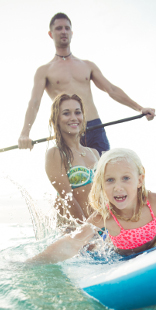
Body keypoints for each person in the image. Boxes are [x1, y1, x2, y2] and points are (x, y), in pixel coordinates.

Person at [28, 148, 156, 264]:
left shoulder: (154, 201)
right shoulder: (104, 216)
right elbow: (72, 241)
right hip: (119, 254)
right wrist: (36, 261)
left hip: (150, 233)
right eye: (110, 180)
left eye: (126, 178)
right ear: (102, 185)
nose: (118, 187)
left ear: (140, 180)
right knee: (90, 246)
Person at [18, 12, 156, 155]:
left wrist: (140, 109)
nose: (63, 31)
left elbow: (111, 89)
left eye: (67, 28)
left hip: (95, 127)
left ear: (72, 32)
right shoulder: (44, 70)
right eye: (59, 28)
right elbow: (34, 102)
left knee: (104, 174)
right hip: (68, 131)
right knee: (75, 177)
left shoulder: (87, 65)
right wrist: (25, 133)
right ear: (51, 34)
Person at [46, 93, 100, 223]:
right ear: (56, 119)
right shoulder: (55, 154)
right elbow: (67, 198)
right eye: (66, 113)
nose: (74, 118)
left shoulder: (94, 153)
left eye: (77, 112)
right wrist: (86, 231)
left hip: (100, 227)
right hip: (74, 231)